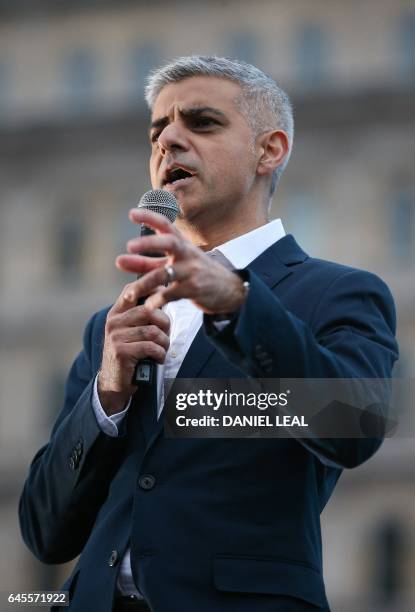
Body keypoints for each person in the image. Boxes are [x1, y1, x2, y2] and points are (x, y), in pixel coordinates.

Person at [19, 56, 399, 612]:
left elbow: (355, 424)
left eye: (201, 122)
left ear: (269, 151)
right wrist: (106, 398)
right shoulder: (110, 326)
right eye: (158, 131)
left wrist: (237, 305)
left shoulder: (338, 294)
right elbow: (45, 531)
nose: (169, 140)